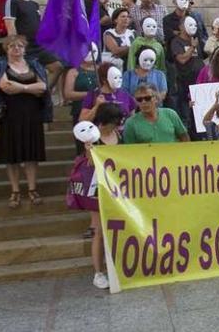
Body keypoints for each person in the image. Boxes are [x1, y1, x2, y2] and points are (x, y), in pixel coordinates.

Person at [0, 35, 52, 208]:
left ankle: (32, 189)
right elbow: (5, 87)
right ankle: (15, 190)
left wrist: (21, 87)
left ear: (25, 49)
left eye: (19, 46)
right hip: (10, 115)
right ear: (6, 49)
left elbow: (43, 87)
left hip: (32, 114)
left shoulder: (34, 65)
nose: (16, 49)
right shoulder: (0, 65)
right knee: (12, 156)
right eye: (12, 46)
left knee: (31, 154)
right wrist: (30, 89)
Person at [67, 104, 122, 290]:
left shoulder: (118, 135)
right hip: (95, 188)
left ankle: (117, 267)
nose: (115, 126)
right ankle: (98, 272)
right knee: (99, 230)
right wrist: (90, 150)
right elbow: (90, 162)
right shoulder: (91, 136)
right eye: (112, 123)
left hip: (116, 187)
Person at [3, 0, 63, 90]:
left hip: (39, 45)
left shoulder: (34, 4)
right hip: (25, 46)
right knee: (27, 75)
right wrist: (16, 45)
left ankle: (44, 92)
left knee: (57, 67)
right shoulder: (13, 1)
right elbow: (10, 25)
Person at [123, 83, 190, 143]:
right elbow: (130, 149)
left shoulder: (170, 114)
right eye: (139, 99)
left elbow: (184, 137)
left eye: (147, 98)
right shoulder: (131, 123)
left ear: (156, 98)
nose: (143, 102)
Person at [63, 45, 100, 153]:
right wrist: (90, 94)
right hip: (80, 111)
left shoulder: (102, 70)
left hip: (100, 110)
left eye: (93, 51)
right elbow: (68, 94)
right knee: (83, 146)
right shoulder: (73, 72)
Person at [171, 16, 205, 134]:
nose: (193, 28)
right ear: (181, 26)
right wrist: (192, 47)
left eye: (195, 25)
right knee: (186, 114)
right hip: (185, 82)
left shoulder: (196, 40)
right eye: (190, 24)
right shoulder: (176, 42)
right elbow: (182, 59)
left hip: (199, 82)